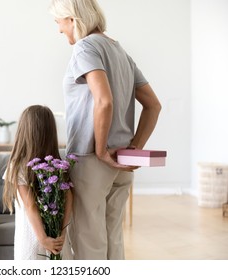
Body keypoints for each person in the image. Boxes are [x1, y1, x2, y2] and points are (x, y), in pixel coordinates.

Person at [49, 0, 162, 260]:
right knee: (114, 238)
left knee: (90, 242)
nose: (58, 30)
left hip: (93, 160)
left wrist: (100, 151)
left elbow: (104, 100)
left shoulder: (85, 47)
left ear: (72, 19)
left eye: (58, 22)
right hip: (121, 161)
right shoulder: (119, 51)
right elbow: (153, 105)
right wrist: (134, 148)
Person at [2, 105, 73, 260]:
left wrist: (43, 239)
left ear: (24, 132)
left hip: (32, 238)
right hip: (57, 240)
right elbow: (69, 199)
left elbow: (30, 206)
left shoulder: (17, 165)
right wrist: (62, 232)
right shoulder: (58, 165)